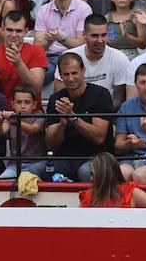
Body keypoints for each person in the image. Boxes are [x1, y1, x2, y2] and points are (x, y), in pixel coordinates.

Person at [45, 51, 115, 180]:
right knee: (34, 171)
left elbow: (99, 138)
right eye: (66, 74)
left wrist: (73, 117)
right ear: (60, 76)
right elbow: (51, 146)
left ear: (83, 71)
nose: (70, 78)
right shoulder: (56, 99)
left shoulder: (101, 94)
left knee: (85, 172)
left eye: (74, 73)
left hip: (97, 158)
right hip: (65, 159)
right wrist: (62, 125)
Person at [34, 0, 92, 80]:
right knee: (32, 76)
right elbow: (37, 46)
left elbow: (83, 44)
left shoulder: (84, 9)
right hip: (51, 58)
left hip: (76, 57)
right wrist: (49, 39)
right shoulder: (43, 10)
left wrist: (61, 38)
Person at [63, 14, 132, 106]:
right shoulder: (69, 57)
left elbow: (118, 100)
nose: (100, 40)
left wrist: (98, 116)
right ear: (84, 34)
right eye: (94, 36)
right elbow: (60, 94)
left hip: (107, 114)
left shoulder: (120, 59)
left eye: (103, 35)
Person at [0, 10, 47, 105]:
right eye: (9, 30)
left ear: (26, 32)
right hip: (0, 111)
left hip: (30, 114)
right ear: (2, 29)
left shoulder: (37, 51)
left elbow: (36, 88)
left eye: (18, 31)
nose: (13, 35)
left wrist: (19, 63)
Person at [79, 151, 146, 206]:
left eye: (94, 175)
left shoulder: (131, 193)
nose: (90, 178)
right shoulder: (89, 196)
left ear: (104, 175)